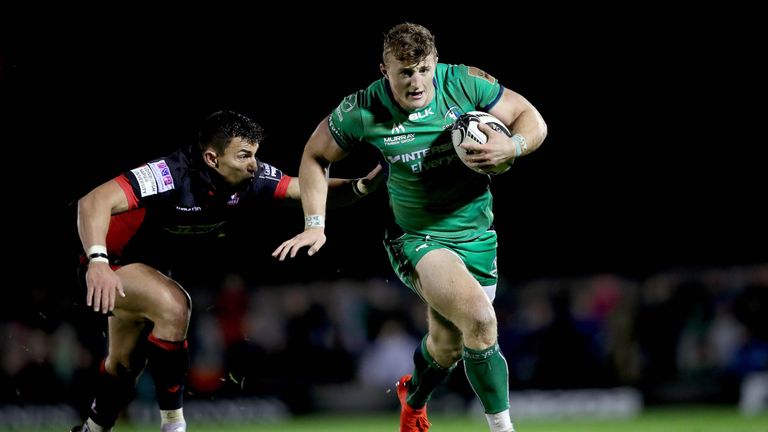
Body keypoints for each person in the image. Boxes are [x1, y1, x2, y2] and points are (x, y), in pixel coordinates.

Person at [273, 23, 547, 432]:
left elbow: (531, 117)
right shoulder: (363, 109)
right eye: (404, 72)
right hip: (417, 238)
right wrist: (315, 222)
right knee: (481, 321)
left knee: (448, 346)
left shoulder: (465, 83)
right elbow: (314, 156)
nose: (416, 82)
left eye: (423, 69)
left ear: (435, 62)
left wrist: (513, 145)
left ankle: (413, 400)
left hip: (476, 234)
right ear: (385, 70)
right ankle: (502, 428)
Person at [72, 110, 382, 432]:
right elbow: (92, 202)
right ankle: (173, 426)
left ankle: (91, 430)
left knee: (124, 365)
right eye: (244, 155)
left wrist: (362, 186)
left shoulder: (253, 177)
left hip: (142, 268)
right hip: (104, 264)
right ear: (211, 158)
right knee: (175, 306)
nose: (254, 164)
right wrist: (98, 261)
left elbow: (307, 189)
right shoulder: (171, 173)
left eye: (255, 154)